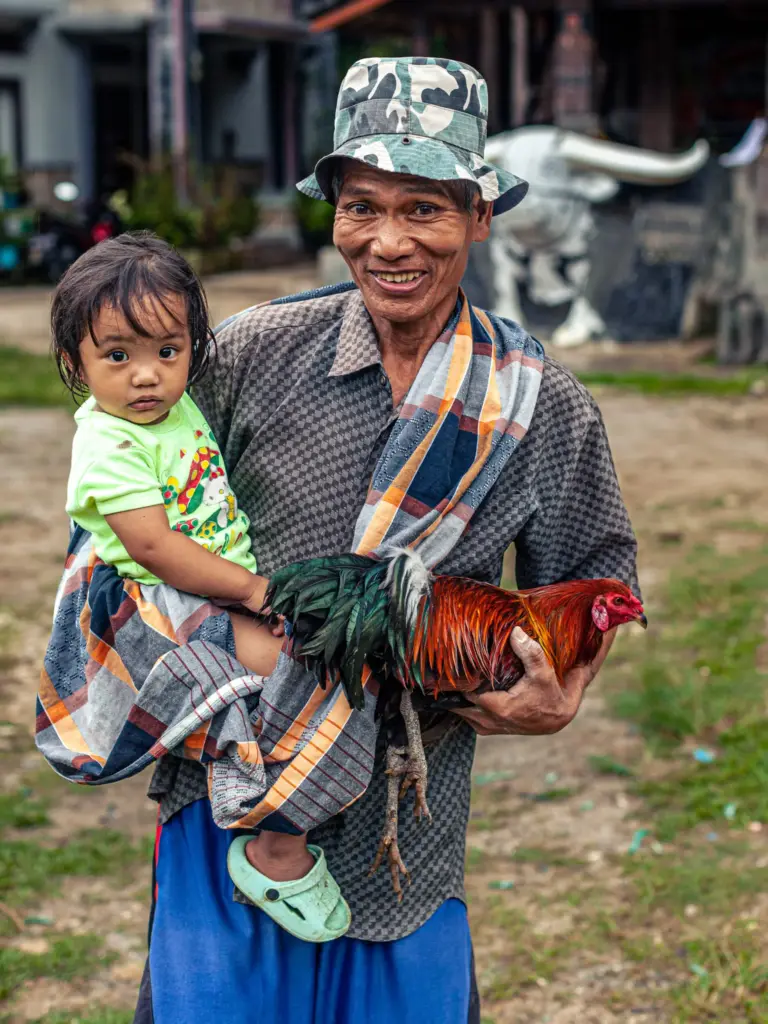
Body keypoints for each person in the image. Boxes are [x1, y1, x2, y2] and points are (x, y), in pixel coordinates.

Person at [37, 57, 638, 1024]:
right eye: (362, 207)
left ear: (479, 216)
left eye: (425, 209)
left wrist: (554, 694)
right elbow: (114, 540)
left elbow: (597, 573)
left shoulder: (539, 403)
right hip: (229, 803)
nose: (389, 241)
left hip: (411, 820)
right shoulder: (246, 354)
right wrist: (210, 647)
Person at [52, 233, 350, 941]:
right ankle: (274, 849)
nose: (147, 376)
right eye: (117, 356)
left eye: (167, 351)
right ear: (76, 363)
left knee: (302, 679)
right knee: (303, 670)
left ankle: (257, 781)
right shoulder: (109, 442)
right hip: (169, 603)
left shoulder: (168, 409)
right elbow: (153, 548)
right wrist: (253, 590)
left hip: (205, 586)